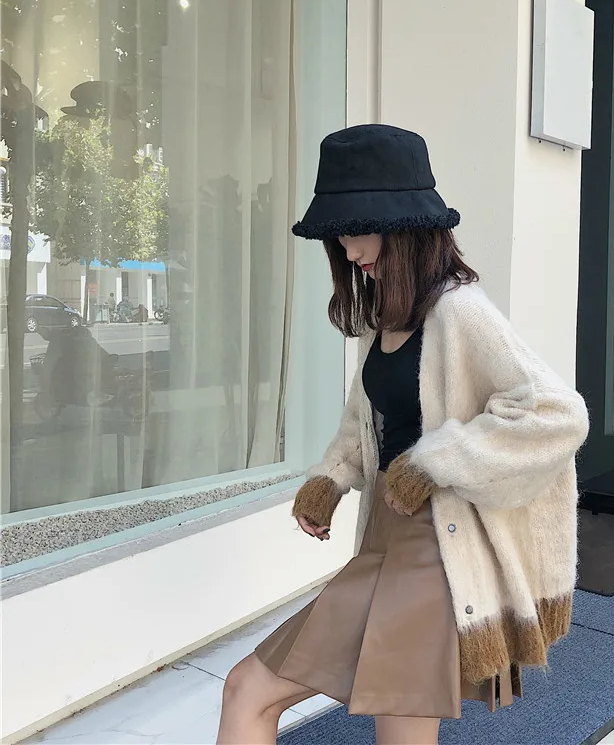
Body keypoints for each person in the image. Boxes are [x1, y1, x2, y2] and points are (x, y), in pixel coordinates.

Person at [216, 125, 589, 745]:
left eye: (356, 228)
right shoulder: (385, 316)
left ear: (401, 225)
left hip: (436, 548)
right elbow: (366, 423)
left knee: (248, 689)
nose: (347, 248)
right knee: (259, 693)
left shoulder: (458, 310)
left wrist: (437, 460)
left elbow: (558, 413)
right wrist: (330, 480)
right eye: (338, 233)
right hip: (387, 539)